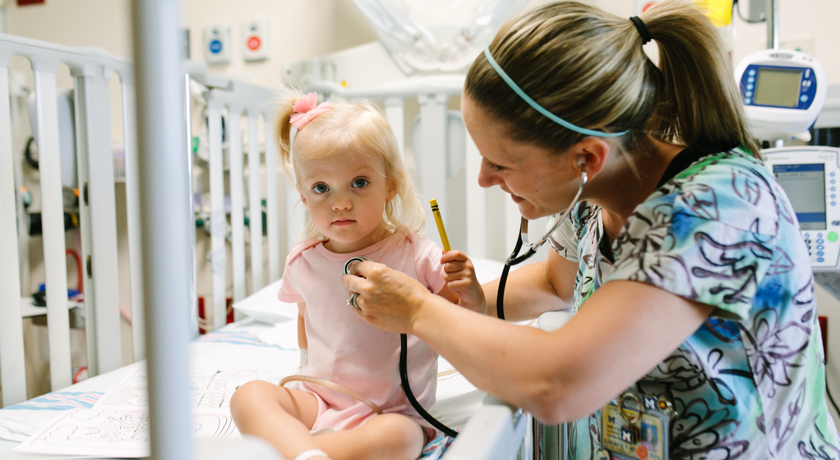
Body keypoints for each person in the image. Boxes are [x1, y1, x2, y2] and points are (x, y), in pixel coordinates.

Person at [341, 1, 840, 459]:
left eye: (501, 163)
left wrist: (419, 312)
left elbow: (558, 384)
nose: (484, 179)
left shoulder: (713, 207)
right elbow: (558, 283)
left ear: (585, 158)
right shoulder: (596, 193)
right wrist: (464, 303)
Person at [229, 92, 482, 460]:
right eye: (321, 188)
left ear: (391, 184)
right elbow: (305, 316)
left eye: (359, 183)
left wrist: (471, 292)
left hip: (391, 412)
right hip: (319, 401)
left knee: (401, 439)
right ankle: (309, 454)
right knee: (249, 395)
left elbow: (461, 324)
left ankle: (296, 451)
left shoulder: (418, 255)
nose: (341, 202)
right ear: (302, 194)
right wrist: (304, 367)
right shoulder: (303, 263)